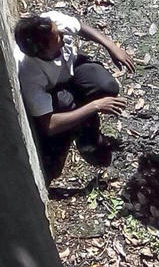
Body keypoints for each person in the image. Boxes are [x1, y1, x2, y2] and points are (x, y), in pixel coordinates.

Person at [14, 10, 135, 181]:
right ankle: (86, 136)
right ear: (42, 51)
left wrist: (111, 46)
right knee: (66, 104)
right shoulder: (29, 75)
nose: (62, 33)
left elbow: (79, 27)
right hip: (54, 90)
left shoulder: (51, 23)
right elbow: (48, 125)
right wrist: (96, 106)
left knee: (106, 85)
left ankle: (83, 119)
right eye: (57, 37)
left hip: (71, 68)